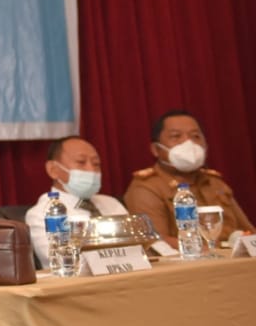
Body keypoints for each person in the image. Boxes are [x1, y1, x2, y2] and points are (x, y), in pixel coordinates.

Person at [124, 110, 254, 248]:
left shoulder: (215, 182)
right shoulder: (146, 187)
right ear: (156, 149)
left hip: (235, 256)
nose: (188, 143)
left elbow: (248, 231)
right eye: (176, 136)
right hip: (193, 258)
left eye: (195, 136)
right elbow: (156, 241)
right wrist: (215, 251)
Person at [23, 135, 130, 264]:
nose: (92, 170)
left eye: (96, 164)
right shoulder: (42, 214)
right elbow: (64, 261)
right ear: (53, 170)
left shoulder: (111, 203)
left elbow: (138, 250)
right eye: (81, 162)